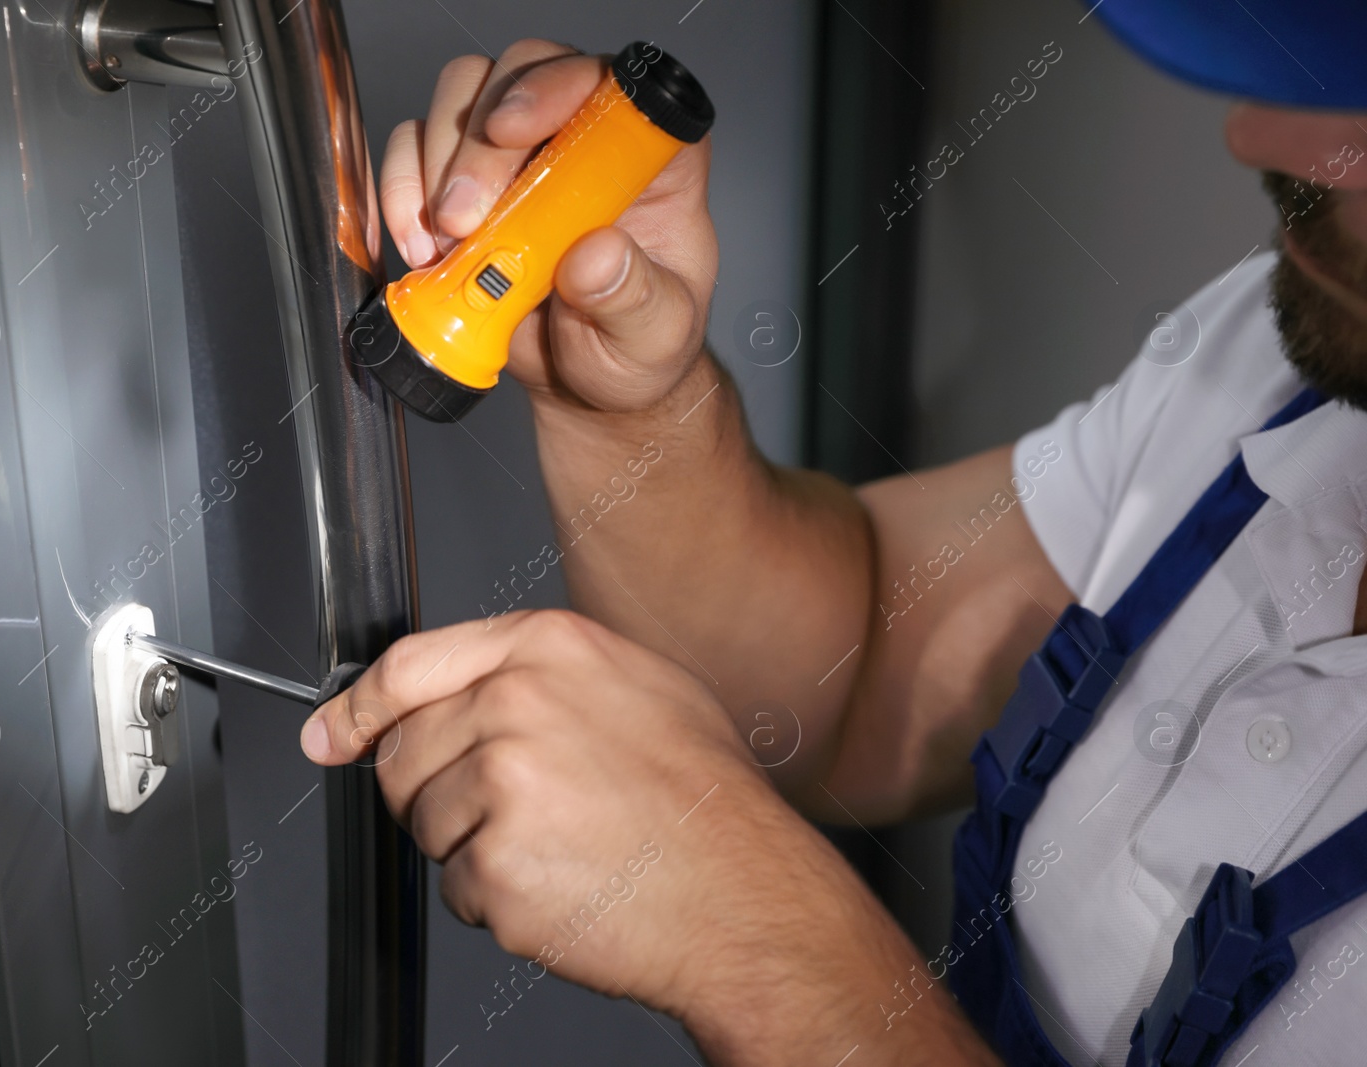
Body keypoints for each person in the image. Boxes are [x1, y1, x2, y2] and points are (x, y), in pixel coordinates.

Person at [301, 3, 1367, 1063]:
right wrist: (625, 408)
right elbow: (852, 682)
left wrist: (765, 944)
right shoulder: (1282, 358)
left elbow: (766, 916)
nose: (1258, 133)